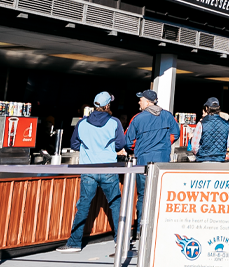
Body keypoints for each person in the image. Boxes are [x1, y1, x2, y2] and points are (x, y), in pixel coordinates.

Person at [59, 92, 126, 254]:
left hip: (88, 169)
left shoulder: (82, 123)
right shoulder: (114, 122)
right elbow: (120, 144)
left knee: (83, 205)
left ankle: (74, 243)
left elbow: (74, 144)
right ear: (107, 105)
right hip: (108, 168)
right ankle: (121, 242)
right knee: (116, 205)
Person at [124, 90, 178, 244]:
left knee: (143, 196)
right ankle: (159, 228)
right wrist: (164, 146)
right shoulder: (168, 116)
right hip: (162, 164)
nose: (139, 102)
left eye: (140, 100)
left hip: (143, 163)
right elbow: (176, 134)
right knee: (160, 196)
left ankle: (141, 230)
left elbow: (129, 142)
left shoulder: (138, 118)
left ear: (148, 101)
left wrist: (139, 149)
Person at [194, 97, 229, 163]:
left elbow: (194, 146)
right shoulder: (227, 124)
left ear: (206, 108)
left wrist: (199, 155)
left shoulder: (201, 123)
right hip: (220, 161)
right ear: (218, 108)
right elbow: (228, 145)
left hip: (203, 160)